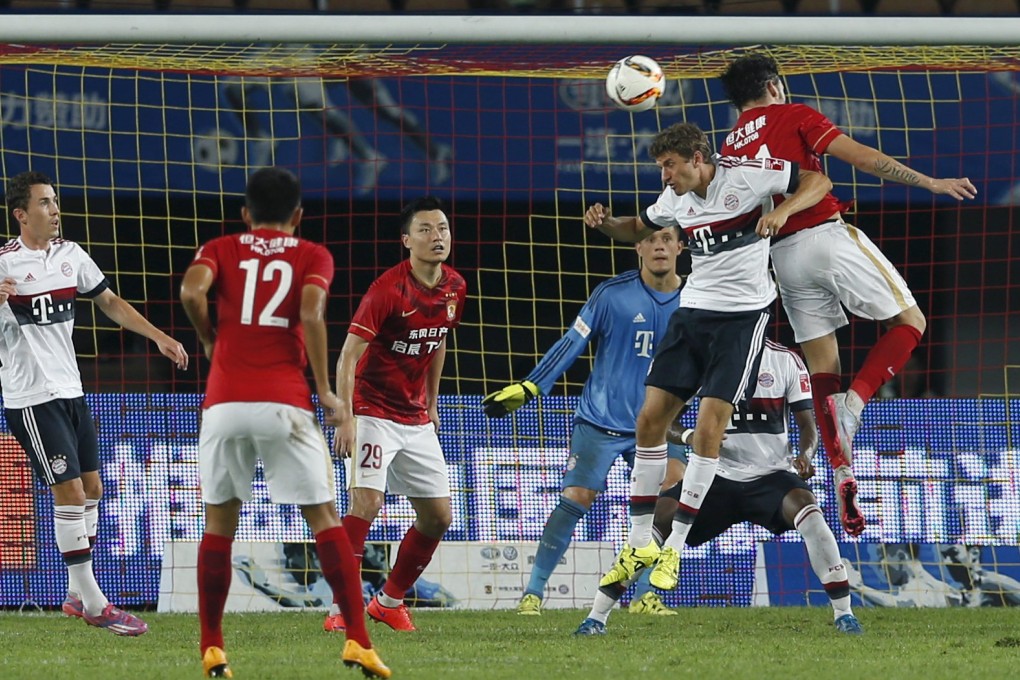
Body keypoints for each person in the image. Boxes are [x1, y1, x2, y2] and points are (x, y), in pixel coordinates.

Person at [718, 53, 977, 537]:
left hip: (781, 258)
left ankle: (840, 468)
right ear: (774, 85)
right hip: (824, 236)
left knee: (823, 367)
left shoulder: (729, 146)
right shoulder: (794, 114)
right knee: (910, 322)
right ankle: (856, 405)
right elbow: (858, 156)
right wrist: (929, 183)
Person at [583, 122, 832, 592]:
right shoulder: (674, 201)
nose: (665, 176)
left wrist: (785, 212)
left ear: (698, 159)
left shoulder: (749, 176)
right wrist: (606, 224)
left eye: (670, 166)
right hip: (693, 313)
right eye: (661, 168)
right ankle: (640, 541)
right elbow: (639, 227)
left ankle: (673, 548)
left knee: (710, 428)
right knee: (649, 420)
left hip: (742, 319)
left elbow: (819, 182)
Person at [179, 167, 389, 679]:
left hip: (224, 404)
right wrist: (324, 388)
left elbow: (190, 292)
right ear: (298, 215)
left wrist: (210, 338)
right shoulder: (312, 254)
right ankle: (358, 641)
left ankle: (212, 646)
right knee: (323, 518)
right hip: (284, 404)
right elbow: (313, 311)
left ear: (246, 214)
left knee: (219, 525)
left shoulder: (222, 247)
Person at [0, 170, 188, 636]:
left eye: (55, 201)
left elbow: (110, 302)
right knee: (72, 494)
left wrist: (159, 337)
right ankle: (96, 602)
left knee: (95, 490)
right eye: (44, 203)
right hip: (31, 397)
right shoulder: (3, 263)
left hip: (72, 391)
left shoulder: (70, 255)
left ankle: (73, 593)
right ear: (21, 214)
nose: (55, 209)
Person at [575, 339, 862, 635]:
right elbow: (665, 420)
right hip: (715, 475)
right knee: (656, 519)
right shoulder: (706, 357)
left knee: (811, 515)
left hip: (773, 476)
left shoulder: (787, 360)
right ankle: (596, 617)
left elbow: (807, 426)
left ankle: (845, 614)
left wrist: (806, 455)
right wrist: (690, 436)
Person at [482, 227, 686, 617]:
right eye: (649, 239)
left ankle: (646, 596)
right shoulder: (612, 295)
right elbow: (572, 342)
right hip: (602, 422)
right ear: (638, 247)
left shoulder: (694, 300)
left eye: (666, 238)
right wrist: (531, 386)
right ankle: (533, 593)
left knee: (674, 493)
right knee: (576, 498)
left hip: (659, 424)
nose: (658, 245)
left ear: (680, 245)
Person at [324, 196, 467, 634]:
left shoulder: (455, 287)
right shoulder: (388, 289)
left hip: (414, 416)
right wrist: (347, 417)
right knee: (366, 501)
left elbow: (439, 340)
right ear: (407, 240)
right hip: (371, 410)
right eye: (425, 229)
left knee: (439, 515)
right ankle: (342, 607)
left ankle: (389, 602)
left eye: (441, 228)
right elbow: (348, 356)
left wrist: (433, 400)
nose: (436, 236)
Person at [222, 75, 450, 194]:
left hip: (343, 50)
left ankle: (432, 151)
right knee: (234, 87)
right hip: (296, 50)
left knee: (385, 110)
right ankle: (260, 139)